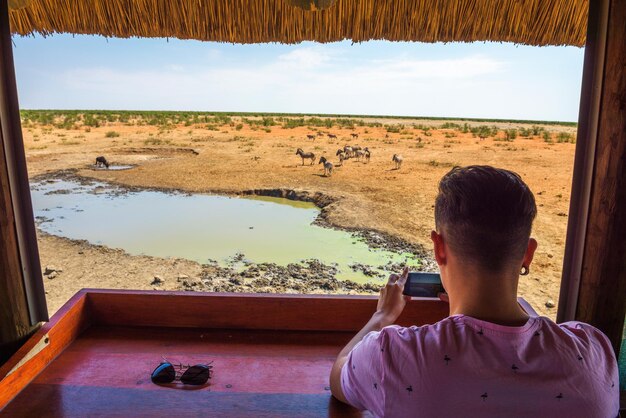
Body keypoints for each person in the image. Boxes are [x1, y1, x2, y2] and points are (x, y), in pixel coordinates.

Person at [329, 165, 619, 417]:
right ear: (528, 254)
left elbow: (338, 377)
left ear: (439, 248)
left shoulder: (392, 356)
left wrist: (382, 315)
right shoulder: (595, 352)